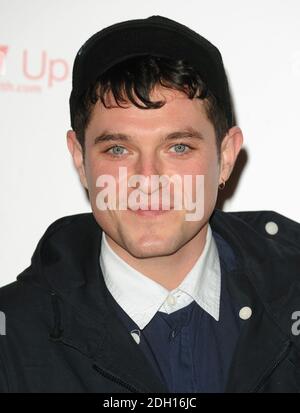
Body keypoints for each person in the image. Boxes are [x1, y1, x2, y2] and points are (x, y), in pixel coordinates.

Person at [0, 15, 300, 394]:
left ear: (225, 157)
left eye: (178, 147)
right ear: (80, 159)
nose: (148, 178)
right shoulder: (11, 336)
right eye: (118, 149)